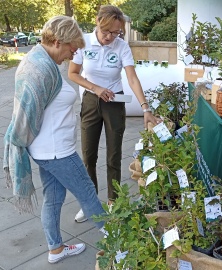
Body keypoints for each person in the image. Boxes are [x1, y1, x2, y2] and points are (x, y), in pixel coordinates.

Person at [3, 15, 106, 264]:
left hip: (48, 150)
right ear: (59, 41)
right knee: (88, 195)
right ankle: (122, 243)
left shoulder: (43, 61)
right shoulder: (40, 70)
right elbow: (26, 113)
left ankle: (55, 249)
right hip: (57, 152)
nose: (74, 52)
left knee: (53, 199)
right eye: (72, 47)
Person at [68, 5, 159, 223]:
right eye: (107, 31)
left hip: (115, 102)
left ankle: (113, 201)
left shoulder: (121, 47)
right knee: (88, 155)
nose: (111, 37)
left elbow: (132, 79)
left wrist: (145, 108)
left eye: (116, 32)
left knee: (113, 155)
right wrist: (95, 88)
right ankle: (89, 202)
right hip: (91, 101)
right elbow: (72, 74)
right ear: (98, 21)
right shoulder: (83, 42)